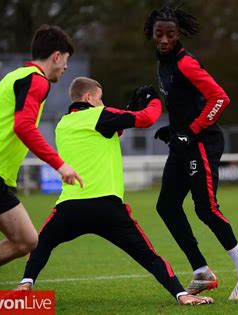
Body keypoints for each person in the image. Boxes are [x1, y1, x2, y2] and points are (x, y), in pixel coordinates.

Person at [11, 77, 213, 306]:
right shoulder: (101, 115)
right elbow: (147, 118)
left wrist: (122, 116)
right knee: (148, 256)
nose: (102, 102)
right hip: (108, 208)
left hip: (70, 207)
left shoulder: (63, 124)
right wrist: (154, 99)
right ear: (89, 98)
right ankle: (182, 295)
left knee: (42, 243)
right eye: (100, 98)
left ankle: (25, 283)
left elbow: (109, 131)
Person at [144, 6, 238, 300]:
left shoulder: (186, 64)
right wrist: (173, 130)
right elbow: (184, 103)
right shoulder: (163, 64)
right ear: (152, 34)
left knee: (206, 208)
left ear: (179, 34)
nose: (165, 40)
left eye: (171, 34)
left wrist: (192, 130)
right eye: (159, 34)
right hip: (183, 142)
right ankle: (201, 272)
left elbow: (220, 98)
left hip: (202, 143)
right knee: (167, 206)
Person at [0, 25, 83, 283]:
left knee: (26, 240)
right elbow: (23, 126)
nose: (65, 67)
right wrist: (60, 165)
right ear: (56, 56)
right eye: (66, 60)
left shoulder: (15, 76)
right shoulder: (38, 81)